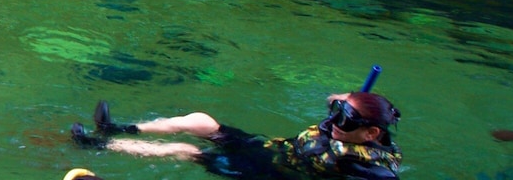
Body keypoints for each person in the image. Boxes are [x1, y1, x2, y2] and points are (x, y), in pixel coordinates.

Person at [68, 94, 402, 179]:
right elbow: (335, 101)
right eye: (336, 112)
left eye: (344, 118)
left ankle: (99, 144)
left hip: (265, 172)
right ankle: (118, 128)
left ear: (371, 133)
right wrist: (343, 102)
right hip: (267, 147)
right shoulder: (345, 126)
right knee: (201, 121)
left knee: (184, 149)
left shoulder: (369, 167)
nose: (334, 121)